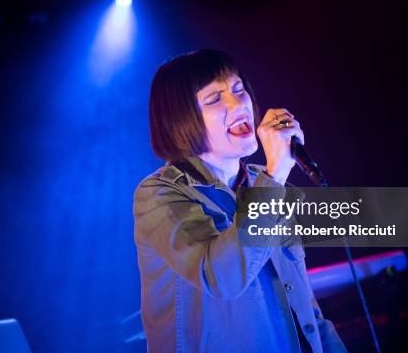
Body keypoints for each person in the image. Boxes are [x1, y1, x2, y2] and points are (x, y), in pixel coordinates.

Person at [133, 49, 347, 352]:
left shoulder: (266, 181)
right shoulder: (160, 194)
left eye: (238, 89)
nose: (238, 104)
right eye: (214, 99)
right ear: (180, 120)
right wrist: (275, 177)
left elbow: (306, 310)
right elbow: (222, 278)